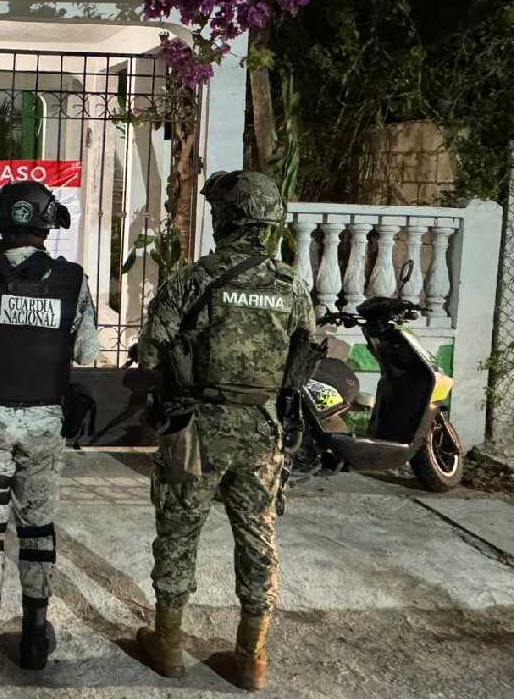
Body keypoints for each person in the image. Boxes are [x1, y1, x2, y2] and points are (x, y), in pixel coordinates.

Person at [133, 171, 315, 690]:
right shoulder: (292, 287)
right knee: (258, 536)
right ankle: (252, 657)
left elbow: (151, 352)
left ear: (228, 218)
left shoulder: (194, 279)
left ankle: (168, 645)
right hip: (262, 429)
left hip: (197, 427)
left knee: (179, 530)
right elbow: (303, 358)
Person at [0, 180, 98, 674]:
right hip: (46, 422)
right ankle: (34, 635)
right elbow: (87, 352)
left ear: (0, 220)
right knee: (37, 525)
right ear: (48, 224)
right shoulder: (72, 281)